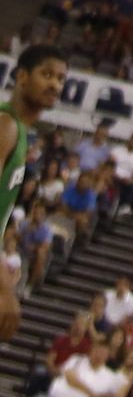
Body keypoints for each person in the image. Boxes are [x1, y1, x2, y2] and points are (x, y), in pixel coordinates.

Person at [0, 44, 68, 339]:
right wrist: (4, 286)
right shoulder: (5, 126)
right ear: (23, 77)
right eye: (47, 74)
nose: (55, 84)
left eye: (61, 79)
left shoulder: (21, 133)